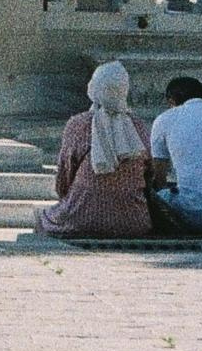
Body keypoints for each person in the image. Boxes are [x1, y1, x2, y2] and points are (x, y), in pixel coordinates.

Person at [35, 59, 153, 239]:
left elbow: (65, 174)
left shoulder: (79, 124)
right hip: (133, 220)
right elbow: (149, 172)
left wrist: (68, 198)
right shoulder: (137, 125)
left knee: (42, 218)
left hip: (80, 217)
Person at [150, 70, 202, 235]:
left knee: (157, 194)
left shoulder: (164, 119)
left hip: (193, 212)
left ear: (171, 100)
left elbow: (160, 173)